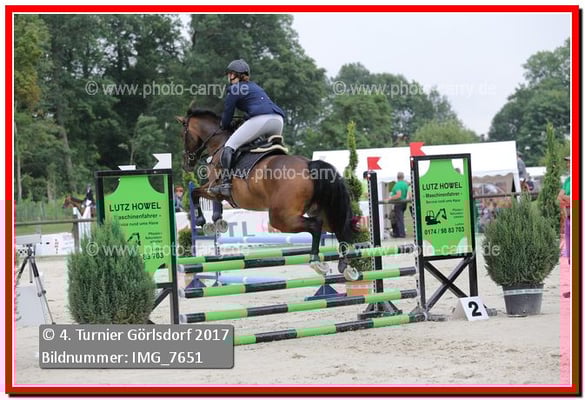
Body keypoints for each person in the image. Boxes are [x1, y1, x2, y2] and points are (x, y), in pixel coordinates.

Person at [210, 59, 286, 196]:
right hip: (278, 120)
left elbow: (228, 114)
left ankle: (226, 183)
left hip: (261, 119)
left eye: (230, 73)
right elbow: (258, 106)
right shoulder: (255, 86)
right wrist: (245, 118)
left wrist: (224, 125)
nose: (228, 76)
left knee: (229, 146)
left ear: (234, 75)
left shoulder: (234, 88)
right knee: (271, 150)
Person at [558, 156, 571, 297]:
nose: (568, 164)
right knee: (571, 255)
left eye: (570, 162)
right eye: (567, 162)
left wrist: (566, 199)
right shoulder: (568, 180)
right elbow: (559, 198)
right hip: (569, 218)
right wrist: (568, 199)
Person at [387, 172, 409, 238]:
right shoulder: (405, 184)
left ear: (397, 177)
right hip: (404, 203)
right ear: (403, 177)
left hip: (398, 203)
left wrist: (390, 198)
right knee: (399, 218)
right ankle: (398, 233)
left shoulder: (397, 185)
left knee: (399, 219)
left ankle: (401, 234)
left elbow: (398, 195)